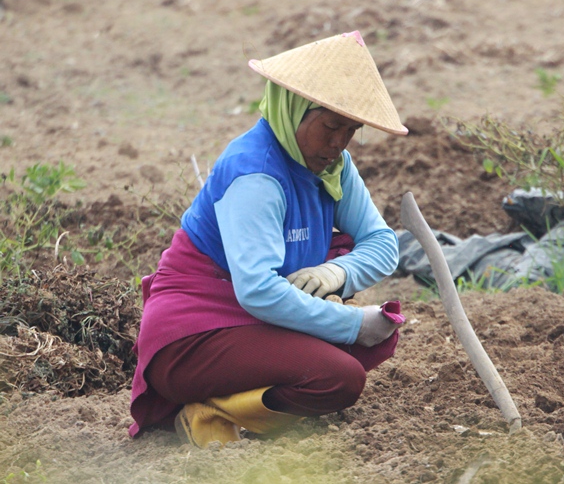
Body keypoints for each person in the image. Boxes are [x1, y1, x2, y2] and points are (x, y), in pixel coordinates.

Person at [128, 31, 409, 448]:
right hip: (192, 337)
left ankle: (234, 399)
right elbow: (258, 290)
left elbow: (383, 243)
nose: (337, 144)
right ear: (293, 109)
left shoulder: (333, 165)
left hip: (251, 318)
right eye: (329, 126)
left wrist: (335, 272)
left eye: (350, 131)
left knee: (376, 337)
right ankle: (211, 414)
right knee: (339, 376)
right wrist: (350, 323)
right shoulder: (256, 175)